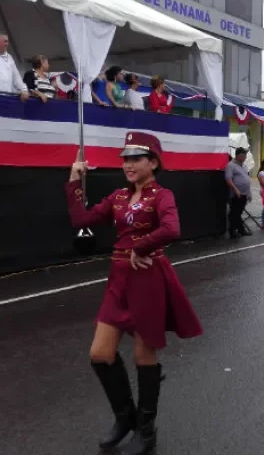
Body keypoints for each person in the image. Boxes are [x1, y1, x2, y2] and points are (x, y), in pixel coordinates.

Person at [66, 132, 202, 453]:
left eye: (136, 158)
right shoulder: (117, 197)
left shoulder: (162, 195)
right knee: (100, 353)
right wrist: (74, 181)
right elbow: (81, 218)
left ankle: (146, 429)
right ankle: (125, 417)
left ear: (153, 162)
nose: (128, 164)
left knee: (144, 354)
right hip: (119, 281)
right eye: (125, 159)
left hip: (148, 278)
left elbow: (171, 229)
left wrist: (140, 247)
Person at [225, 148, 252, 239]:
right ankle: (234, 231)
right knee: (234, 213)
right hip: (236, 194)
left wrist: (249, 193)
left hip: (244, 193)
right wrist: (235, 189)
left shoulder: (244, 166)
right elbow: (228, 179)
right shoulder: (230, 165)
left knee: (238, 213)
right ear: (238, 155)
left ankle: (240, 229)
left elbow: (246, 179)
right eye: (244, 155)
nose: (245, 157)